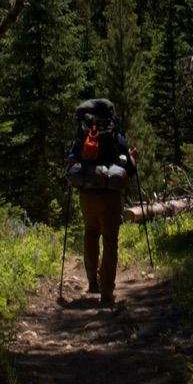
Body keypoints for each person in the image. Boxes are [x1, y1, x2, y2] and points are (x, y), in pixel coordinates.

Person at [64, 97, 135, 304]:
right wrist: (131, 158)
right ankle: (106, 291)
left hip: (87, 195)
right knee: (110, 239)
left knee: (91, 233)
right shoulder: (116, 138)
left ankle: (92, 282)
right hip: (109, 197)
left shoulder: (82, 136)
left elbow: (71, 161)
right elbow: (130, 170)